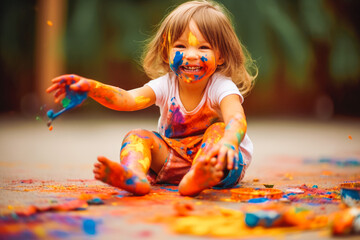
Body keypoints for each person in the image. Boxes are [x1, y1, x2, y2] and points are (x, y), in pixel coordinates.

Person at [46, 0, 257, 196]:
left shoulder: (221, 86)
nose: (191, 55)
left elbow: (236, 119)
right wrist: (93, 88)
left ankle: (197, 178)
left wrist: (229, 142)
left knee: (218, 129)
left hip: (218, 165)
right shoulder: (166, 84)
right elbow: (127, 99)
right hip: (173, 162)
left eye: (203, 47)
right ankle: (135, 176)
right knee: (137, 135)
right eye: (181, 46)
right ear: (166, 52)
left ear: (221, 56)